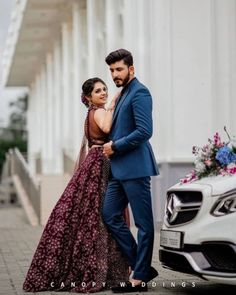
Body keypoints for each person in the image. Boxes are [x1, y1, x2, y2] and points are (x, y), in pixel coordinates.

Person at [23, 77, 129, 293]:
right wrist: (112, 105)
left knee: (89, 214)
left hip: (96, 162)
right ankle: (98, 267)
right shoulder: (99, 111)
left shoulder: (92, 112)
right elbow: (108, 126)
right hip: (100, 164)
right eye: (98, 91)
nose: (103, 92)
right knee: (98, 215)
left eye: (105, 89)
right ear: (89, 97)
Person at [102, 49, 159, 293]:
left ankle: (139, 279)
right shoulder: (122, 93)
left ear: (131, 69)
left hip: (135, 167)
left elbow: (145, 131)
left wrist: (115, 145)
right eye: (112, 70)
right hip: (118, 171)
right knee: (110, 214)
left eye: (119, 69)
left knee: (144, 223)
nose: (115, 74)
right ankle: (141, 266)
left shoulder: (140, 92)